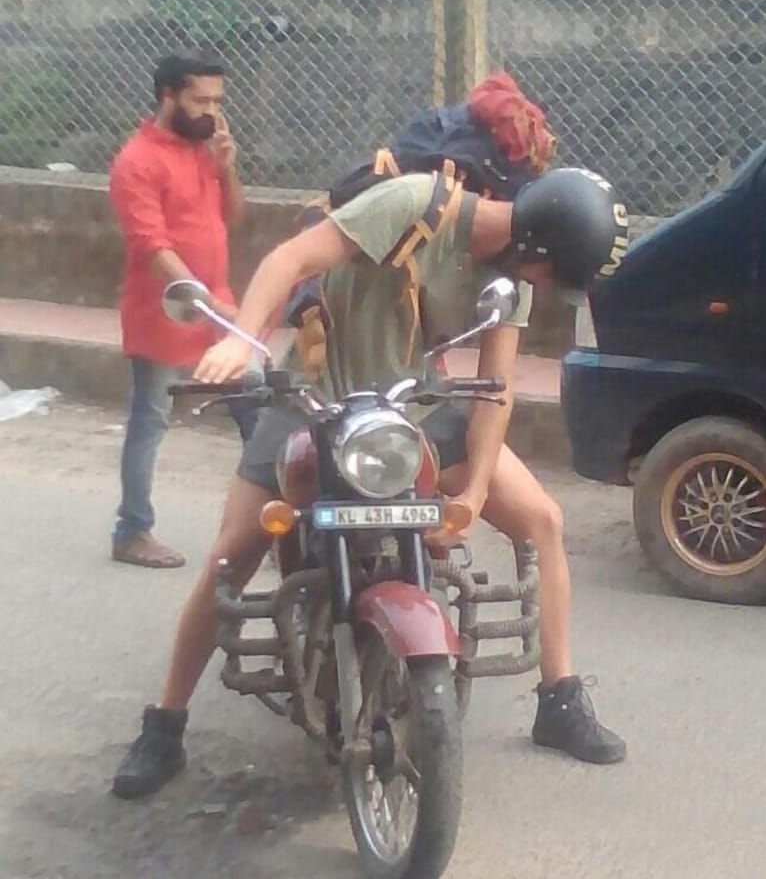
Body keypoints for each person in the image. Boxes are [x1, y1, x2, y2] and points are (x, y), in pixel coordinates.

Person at [112, 165, 631, 798]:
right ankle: (165, 724)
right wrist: (242, 346)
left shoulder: (510, 280)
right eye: (556, 276)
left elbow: (496, 393)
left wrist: (470, 495)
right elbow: (290, 258)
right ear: (537, 248)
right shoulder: (412, 207)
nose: (548, 289)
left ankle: (560, 698)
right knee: (233, 551)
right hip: (315, 400)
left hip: (412, 410)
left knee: (543, 521)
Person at [109, 52, 257, 570]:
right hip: (167, 312)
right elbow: (153, 247)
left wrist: (228, 169)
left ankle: (271, 527)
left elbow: (231, 218)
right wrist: (204, 299)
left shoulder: (203, 148)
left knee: (259, 407)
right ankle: (132, 530)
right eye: (202, 100)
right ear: (168, 96)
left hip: (217, 311)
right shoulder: (137, 161)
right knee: (150, 419)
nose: (212, 111)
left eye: (218, 101)